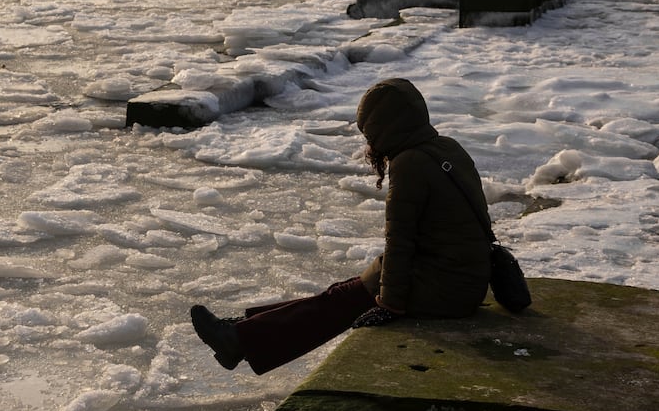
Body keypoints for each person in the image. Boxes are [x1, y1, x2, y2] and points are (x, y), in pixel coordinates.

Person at [190, 77, 492, 374]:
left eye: (369, 133)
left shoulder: (409, 164)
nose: (368, 142)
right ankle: (243, 332)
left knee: (342, 302)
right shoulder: (447, 148)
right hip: (462, 278)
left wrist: (390, 306)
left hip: (446, 289)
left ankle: (238, 340)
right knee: (341, 293)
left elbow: (400, 242)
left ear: (384, 126)